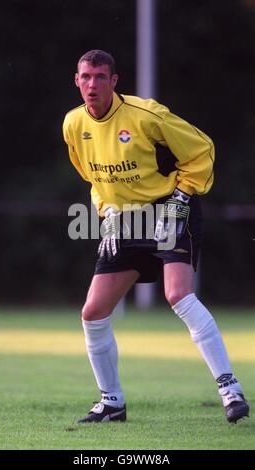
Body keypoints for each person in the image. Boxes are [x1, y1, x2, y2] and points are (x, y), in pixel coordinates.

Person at [63, 49, 249, 425]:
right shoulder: (73, 124)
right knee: (94, 312)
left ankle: (230, 389)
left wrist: (182, 198)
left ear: (114, 81)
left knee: (177, 294)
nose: (92, 84)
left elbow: (201, 149)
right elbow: (93, 178)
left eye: (101, 76)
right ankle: (111, 403)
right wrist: (107, 212)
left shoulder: (146, 115)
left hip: (170, 206)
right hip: (126, 220)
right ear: (77, 81)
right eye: (86, 77)